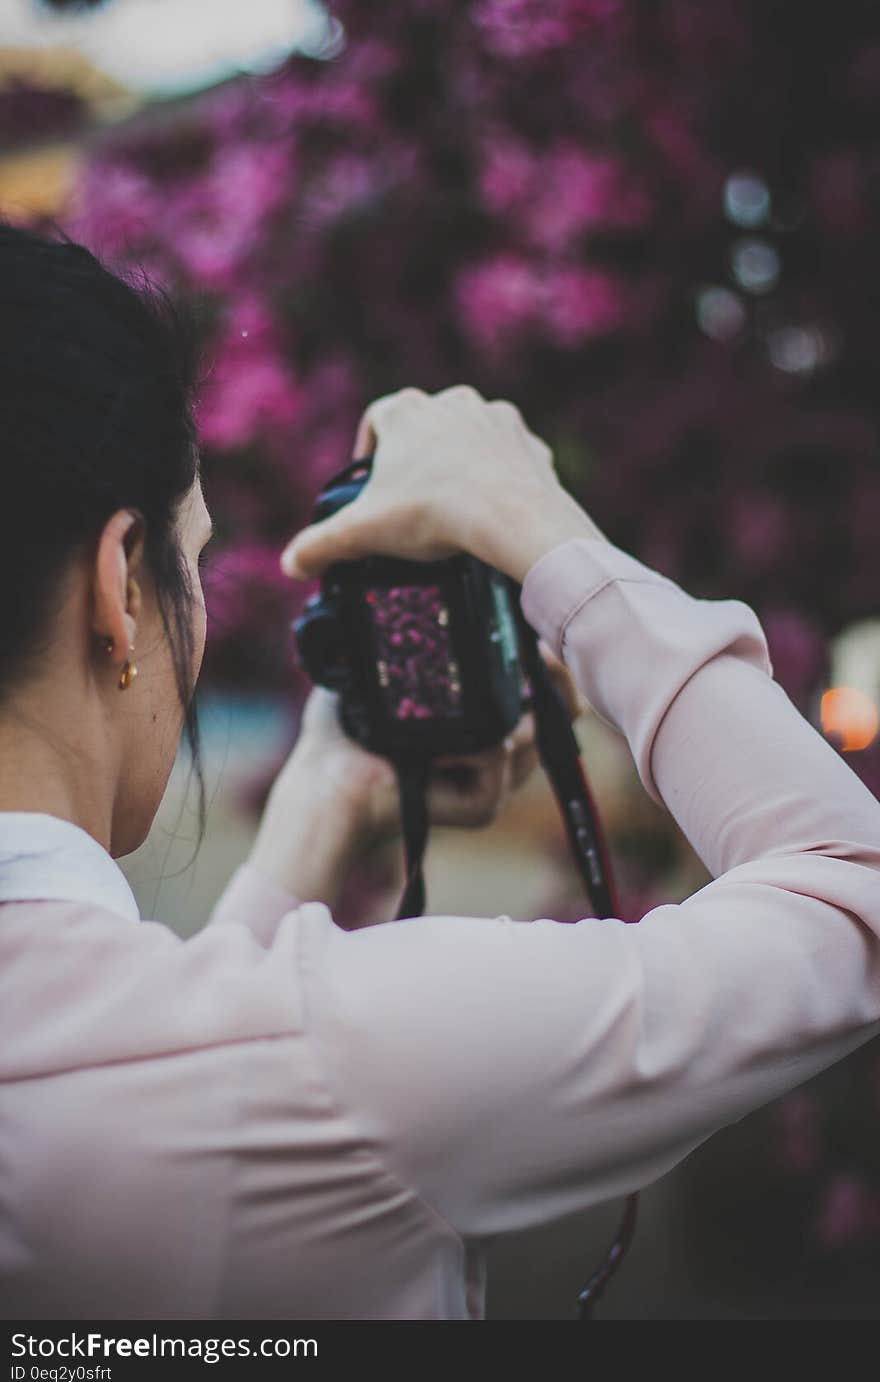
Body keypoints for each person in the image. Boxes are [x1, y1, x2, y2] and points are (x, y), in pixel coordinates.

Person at [1, 224, 878, 1321]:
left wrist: (326, 794)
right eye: (193, 554)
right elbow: (849, 887)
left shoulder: (209, 1060)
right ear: (117, 588)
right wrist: (537, 523)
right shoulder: (337, 1063)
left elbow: (195, 1082)